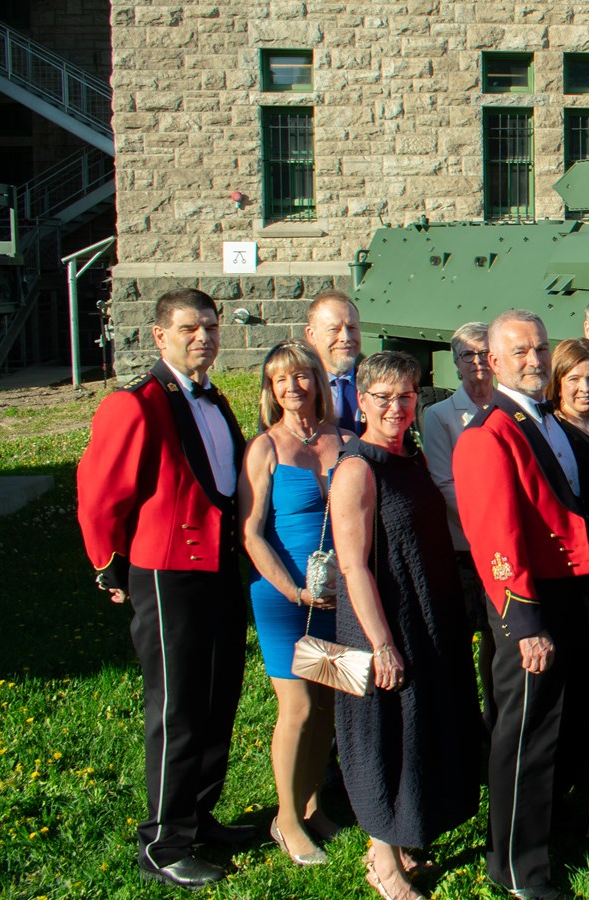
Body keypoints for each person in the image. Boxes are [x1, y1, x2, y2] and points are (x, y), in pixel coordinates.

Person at [76, 288, 252, 888]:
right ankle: (163, 842)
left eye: (210, 326)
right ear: (159, 336)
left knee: (219, 696)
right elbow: (100, 494)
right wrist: (108, 564)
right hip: (167, 573)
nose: (203, 337)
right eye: (188, 328)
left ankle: (198, 816)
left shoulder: (215, 397)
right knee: (178, 708)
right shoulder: (136, 403)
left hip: (220, 567)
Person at [455, 310, 589, 900]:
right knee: (525, 736)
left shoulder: (545, 420)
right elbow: (496, 538)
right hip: (529, 603)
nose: (534, 359)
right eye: (519, 351)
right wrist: (524, 622)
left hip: (568, 593)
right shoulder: (487, 433)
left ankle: (547, 831)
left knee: (560, 724)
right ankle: (515, 866)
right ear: (492, 362)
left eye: (540, 348)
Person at [329, 350, 483, 900]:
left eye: (407, 396)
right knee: (384, 737)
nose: (396, 407)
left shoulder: (410, 457)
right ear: (362, 400)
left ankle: (405, 834)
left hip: (425, 617)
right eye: (384, 397)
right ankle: (382, 859)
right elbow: (353, 567)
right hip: (384, 622)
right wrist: (381, 645)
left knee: (417, 731)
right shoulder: (357, 469)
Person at [238, 340, 351, 867]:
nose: (292, 387)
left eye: (301, 375)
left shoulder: (346, 441)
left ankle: (312, 805)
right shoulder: (265, 448)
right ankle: (284, 819)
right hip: (285, 598)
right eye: (280, 379)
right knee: (300, 706)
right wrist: (293, 590)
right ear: (270, 389)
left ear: (318, 382)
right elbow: (251, 533)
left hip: (337, 597)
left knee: (328, 707)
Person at [421, 322, 498, 728]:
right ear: (455, 362)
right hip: (465, 544)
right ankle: (460, 720)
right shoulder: (439, 416)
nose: (478, 362)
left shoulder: (509, 407)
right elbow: (443, 483)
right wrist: (490, 522)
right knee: (463, 633)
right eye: (468, 355)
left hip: (504, 546)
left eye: (485, 353)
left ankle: (494, 714)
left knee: (497, 636)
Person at [548, 338, 589, 562]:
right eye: (574, 379)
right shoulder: (554, 433)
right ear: (557, 383)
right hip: (587, 552)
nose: (586, 388)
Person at [305, 290, 363, 434]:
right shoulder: (297, 390)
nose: (346, 337)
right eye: (334, 329)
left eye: (352, 328)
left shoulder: (375, 384)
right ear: (312, 335)